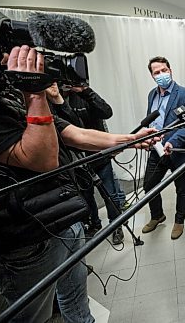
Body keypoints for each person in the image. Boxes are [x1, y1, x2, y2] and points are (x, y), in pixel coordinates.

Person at [0, 44, 155, 323]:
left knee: (76, 300)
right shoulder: (9, 102)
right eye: (5, 54)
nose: (15, 60)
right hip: (26, 241)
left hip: (63, 220)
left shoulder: (10, 96)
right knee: (31, 317)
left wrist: (131, 140)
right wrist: (36, 92)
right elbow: (42, 160)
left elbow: (74, 133)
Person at [55, 82, 128, 245]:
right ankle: (93, 224)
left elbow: (106, 112)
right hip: (75, 161)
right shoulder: (53, 101)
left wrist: (86, 92)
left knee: (110, 194)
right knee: (86, 196)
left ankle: (116, 225)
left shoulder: (83, 96)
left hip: (98, 157)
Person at [141, 56, 185, 240]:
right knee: (149, 185)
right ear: (152, 76)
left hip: (176, 149)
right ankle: (157, 215)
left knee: (181, 188)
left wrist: (174, 142)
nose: (161, 74)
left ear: (170, 70)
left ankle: (179, 221)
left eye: (164, 70)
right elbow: (152, 119)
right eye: (157, 72)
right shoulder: (151, 95)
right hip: (155, 148)